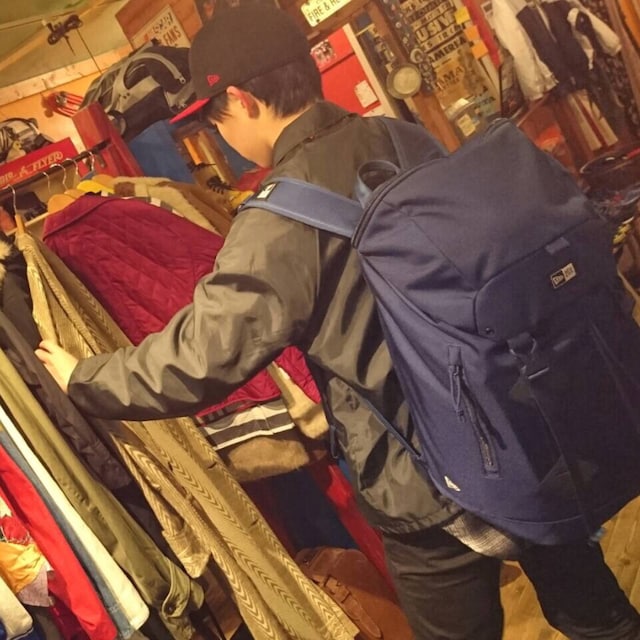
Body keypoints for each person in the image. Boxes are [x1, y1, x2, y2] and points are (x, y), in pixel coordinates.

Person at [36, 5, 640, 639]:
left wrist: (87, 377)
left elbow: (201, 356)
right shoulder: (402, 138)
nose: (219, 134)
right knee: (594, 610)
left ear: (241, 100)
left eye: (214, 119)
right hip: (516, 424)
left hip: (420, 476)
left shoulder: (277, 221)